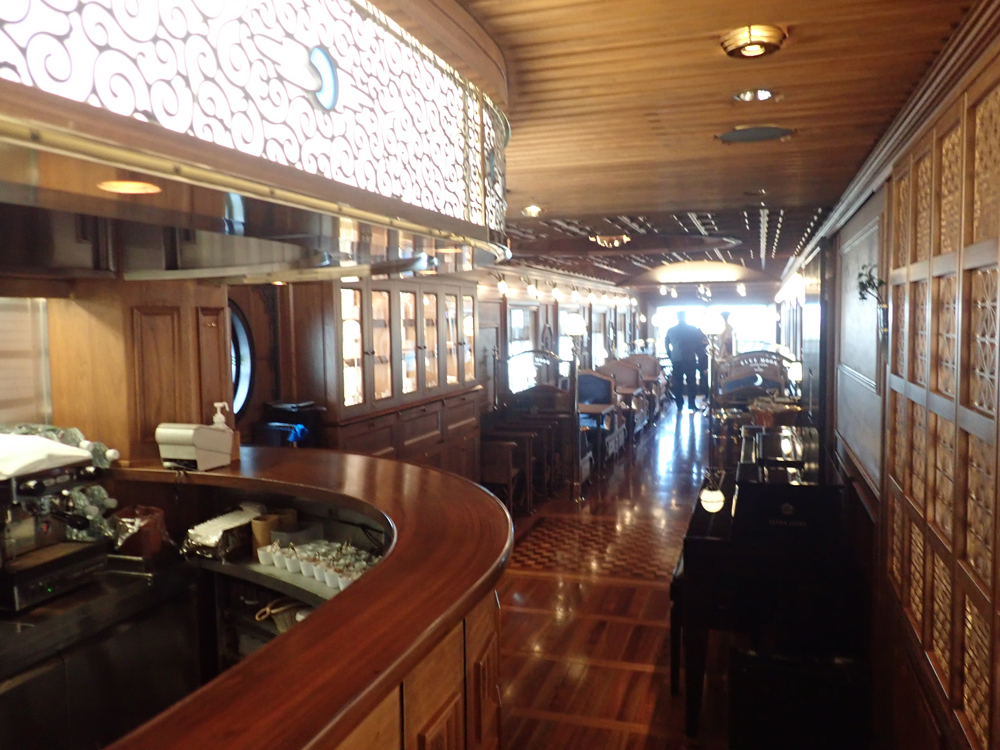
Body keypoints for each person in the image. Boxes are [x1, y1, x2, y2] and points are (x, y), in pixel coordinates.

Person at [665, 311, 704, 412]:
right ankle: (691, 405)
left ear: (677, 318)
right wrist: (699, 357)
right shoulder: (693, 329)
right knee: (691, 382)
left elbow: (666, 345)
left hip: (676, 359)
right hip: (690, 358)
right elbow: (699, 345)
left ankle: (679, 405)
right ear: (685, 317)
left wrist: (671, 356)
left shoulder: (671, 330)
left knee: (677, 383)